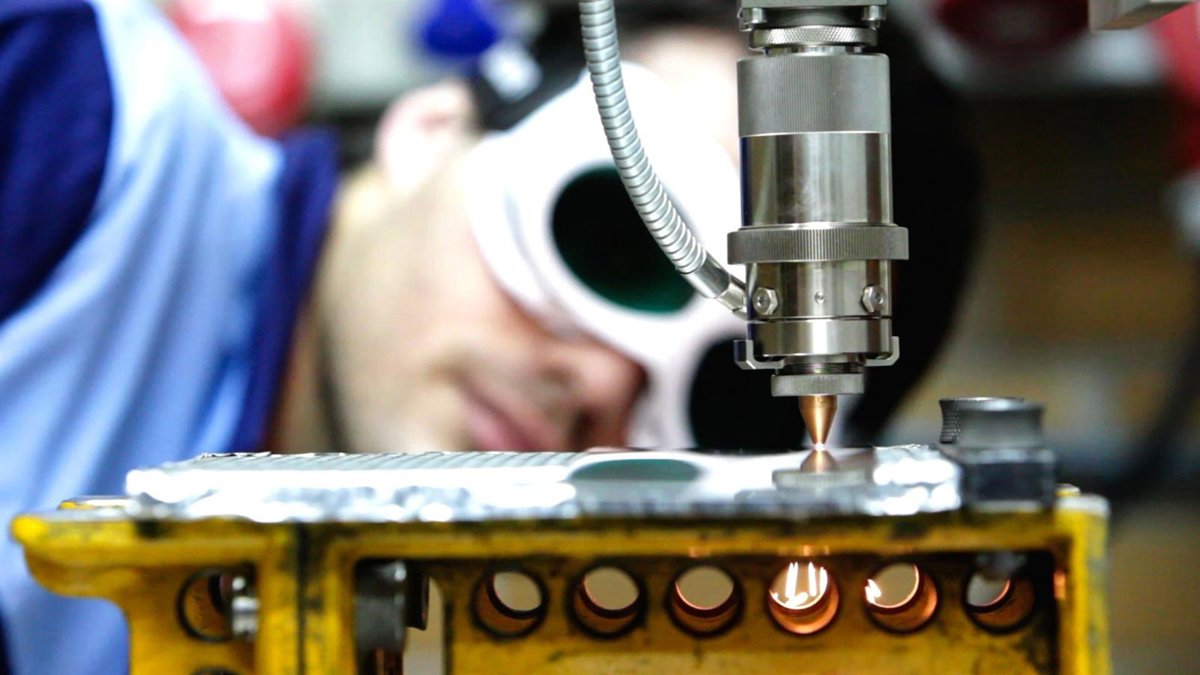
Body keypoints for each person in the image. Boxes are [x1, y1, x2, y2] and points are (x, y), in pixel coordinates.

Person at [0, 0, 979, 672]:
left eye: (729, 404)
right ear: (432, 127)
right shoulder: (61, 108)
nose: (604, 386)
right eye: (616, 239)